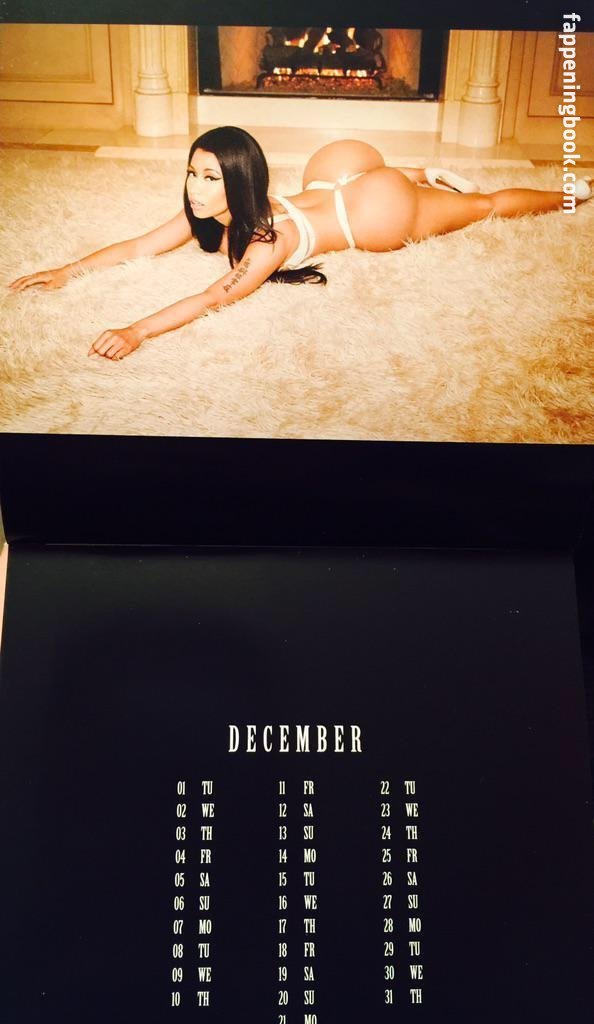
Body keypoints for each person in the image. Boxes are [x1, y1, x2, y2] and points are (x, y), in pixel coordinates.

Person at [9, 126, 592, 361]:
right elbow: (139, 246)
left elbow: (212, 297)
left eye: (210, 177)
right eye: (192, 172)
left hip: (372, 210)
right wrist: (67, 270)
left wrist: (137, 330)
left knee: (484, 207)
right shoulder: (205, 210)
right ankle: (421, 173)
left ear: (239, 182)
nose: (194, 188)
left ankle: (573, 193)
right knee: (370, 172)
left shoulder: (269, 240)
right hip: (333, 175)